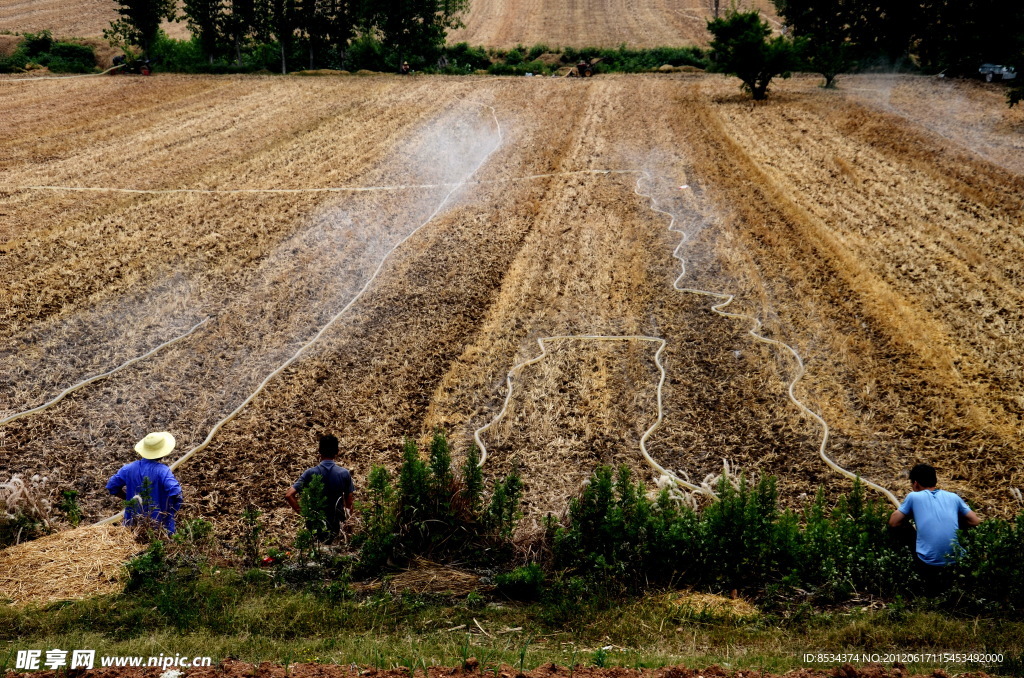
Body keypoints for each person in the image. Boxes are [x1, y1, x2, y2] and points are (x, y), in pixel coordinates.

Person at [888, 463, 981, 595]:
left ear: (915, 484)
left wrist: (910, 516)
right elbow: (975, 521)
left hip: (927, 563)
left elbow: (893, 522)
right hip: (955, 559)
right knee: (960, 522)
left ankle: (906, 570)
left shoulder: (914, 496)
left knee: (899, 527)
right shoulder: (953, 497)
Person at [106, 431, 183, 534]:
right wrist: (171, 511)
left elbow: (112, 486)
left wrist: (130, 500)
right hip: (160, 527)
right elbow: (176, 492)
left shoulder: (128, 469)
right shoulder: (163, 471)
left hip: (133, 526)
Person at [285, 434, 355, 536]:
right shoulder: (344, 474)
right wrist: (348, 527)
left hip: (316, 526)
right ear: (337, 452)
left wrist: (306, 515)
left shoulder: (310, 473)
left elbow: (289, 495)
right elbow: (349, 503)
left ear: (319, 451)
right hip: (337, 527)